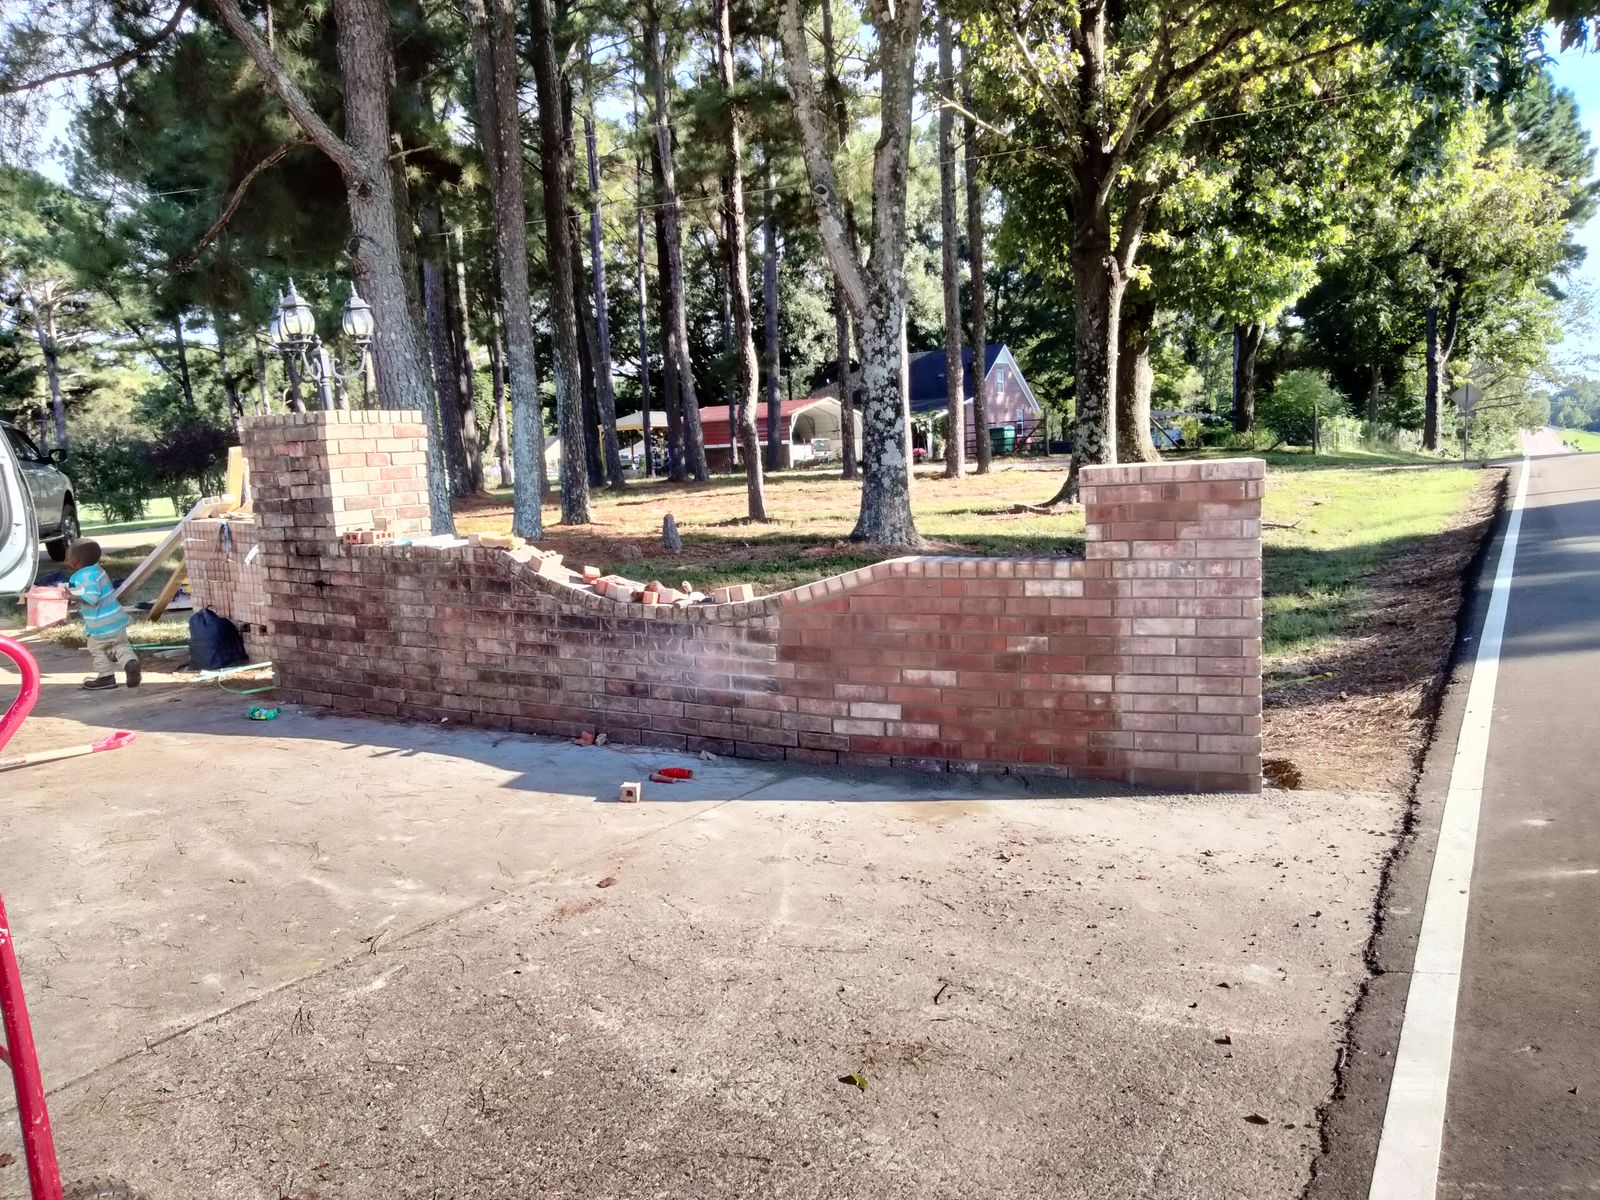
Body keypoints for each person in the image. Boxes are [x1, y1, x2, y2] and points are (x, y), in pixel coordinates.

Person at [65, 539, 141, 691]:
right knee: (121, 646)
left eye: (68, 554)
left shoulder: (83, 577)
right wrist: (75, 595)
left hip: (99, 626)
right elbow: (90, 591)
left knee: (97, 649)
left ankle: (106, 676)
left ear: (75, 559)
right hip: (116, 621)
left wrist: (71, 597)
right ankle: (130, 663)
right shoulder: (98, 571)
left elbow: (92, 598)